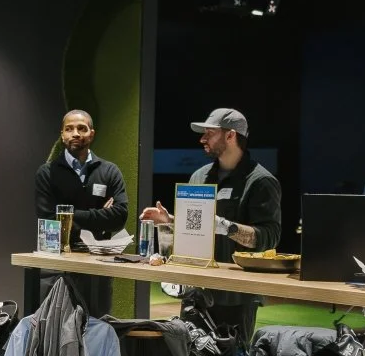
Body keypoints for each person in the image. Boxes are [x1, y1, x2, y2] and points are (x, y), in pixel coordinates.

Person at [140, 108, 281, 340]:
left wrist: (227, 227)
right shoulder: (199, 176)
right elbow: (199, 226)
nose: (202, 139)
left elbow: (270, 236)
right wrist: (171, 221)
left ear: (230, 136)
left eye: (210, 133)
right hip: (194, 290)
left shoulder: (261, 181)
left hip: (235, 295)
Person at [35, 110, 129, 317]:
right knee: (54, 330)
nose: (75, 133)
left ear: (92, 134)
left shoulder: (110, 171)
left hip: (98, 266)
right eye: (69, 129)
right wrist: (98, 215)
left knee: (95, 329)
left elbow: (119, 217)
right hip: (57, 267)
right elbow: (48, 220)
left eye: (82, 128)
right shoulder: (46, 173)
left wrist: (68, 214)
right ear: (62, 134)